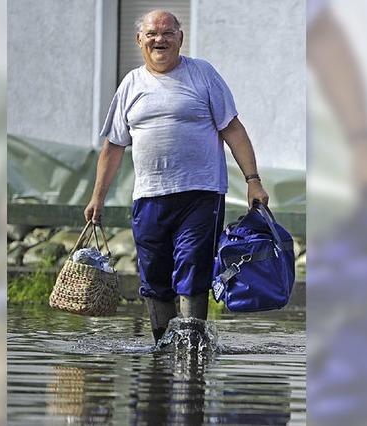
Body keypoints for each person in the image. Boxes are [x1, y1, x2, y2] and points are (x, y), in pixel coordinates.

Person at [84, 10, 268, 343]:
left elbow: (233, 129)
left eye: (168, 33)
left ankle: (191, 348)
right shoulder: (130, 85)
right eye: (152, 33)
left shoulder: (203, 74)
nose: (160, 39)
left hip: (201, 194)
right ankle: (162, 346)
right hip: (149, 196)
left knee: (193, 267)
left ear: (180, 38)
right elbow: (112, 148)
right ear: (139, 40)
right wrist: (98, 197)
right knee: (153, 274)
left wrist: (252, 179)